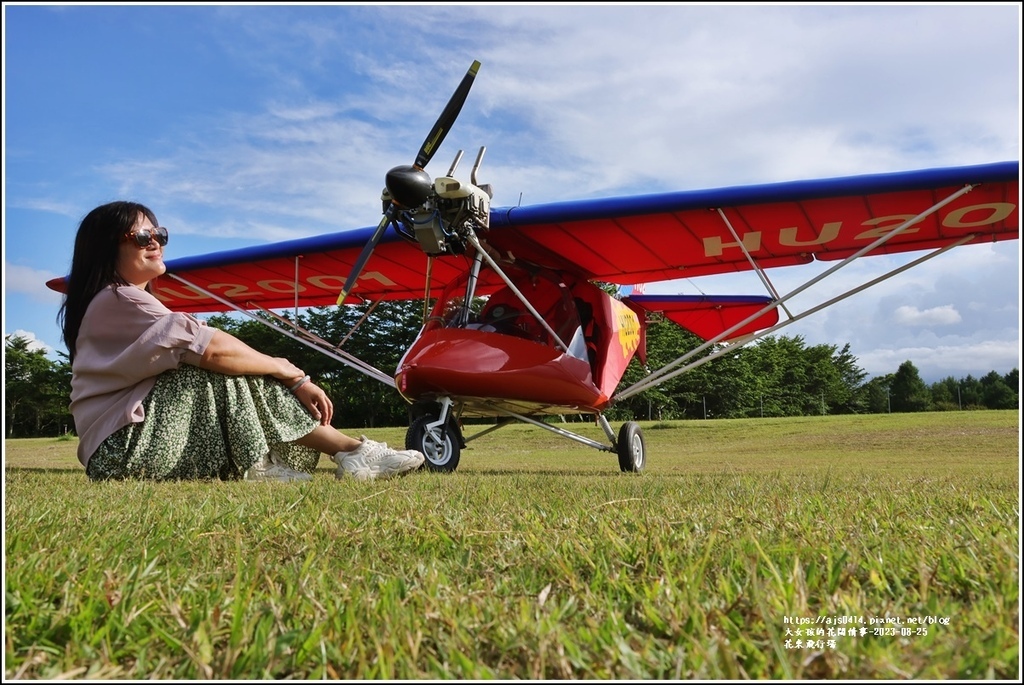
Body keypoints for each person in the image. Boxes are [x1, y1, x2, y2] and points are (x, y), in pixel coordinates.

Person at [57, 201, 425, 482]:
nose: (155, 243)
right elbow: (213, 348)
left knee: (227, 362)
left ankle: (344, 453)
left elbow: (211, 346)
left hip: (127, 447)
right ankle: (331, 455)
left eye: (160, 234)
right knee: (217, 367)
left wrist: (285, 373)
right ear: (108, 247)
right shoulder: (119, 299)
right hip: (123, 451)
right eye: (142, 237)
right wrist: (290, 372)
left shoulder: (117, 301)